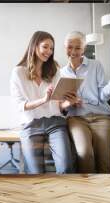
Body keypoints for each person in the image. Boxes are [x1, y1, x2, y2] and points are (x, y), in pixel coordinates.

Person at [10, 31, 78, 174]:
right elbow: (19, 105)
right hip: (31, 125)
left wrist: (67, 104)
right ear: (34, 46)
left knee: (66, 168)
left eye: (51, 48)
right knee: (35, 172)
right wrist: (43, 100)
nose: (49, 51)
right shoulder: (18, 72)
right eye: (45, 47)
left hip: (55, 123)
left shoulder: (55, 70)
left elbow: (57, 105)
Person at [60, 31, 110, 173]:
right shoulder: (60, 73)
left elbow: (103, 95)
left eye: (78, 48)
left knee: (104, 161)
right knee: (85, 154)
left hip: (102, 117)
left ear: (84, 49)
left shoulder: (96, 66)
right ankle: (87, 190)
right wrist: (68, 104)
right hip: (77, 119)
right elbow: (60, 107)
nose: (73, 51)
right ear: (64, 47)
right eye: (70, 47)